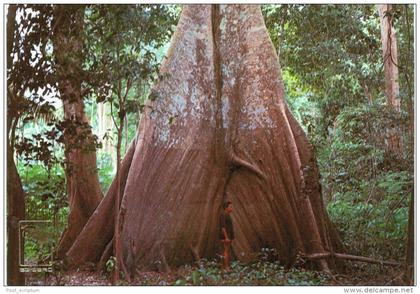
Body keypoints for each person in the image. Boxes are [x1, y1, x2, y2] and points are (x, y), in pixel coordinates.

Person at [219, 200, 234, 270]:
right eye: (230, 207)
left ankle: (224, 266)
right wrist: (226, 237)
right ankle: (226, 267)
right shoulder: (223, 215)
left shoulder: (227, 215)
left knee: (226, 251)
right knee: (226, 251)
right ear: (226, 208)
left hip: (228, 235)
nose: (232, 208)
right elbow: (223, 228)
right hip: (226, 236)